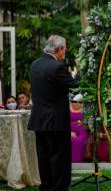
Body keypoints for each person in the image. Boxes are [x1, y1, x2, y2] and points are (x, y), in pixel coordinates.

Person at [28, 35, 77, 191]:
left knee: (44, 157)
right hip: (55, 121)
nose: (66, 51)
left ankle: (46, 186)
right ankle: (58, 188)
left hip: (38, 119)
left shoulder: (34, 65)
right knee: (58, 157)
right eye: (65, 49)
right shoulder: (57, 67)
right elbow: (75, 85)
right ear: (58, 50)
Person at [70, 94, 89, 163]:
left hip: (82, 131)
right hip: (70, 131)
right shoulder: (67, 108)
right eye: (73, 102)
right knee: (71, 140)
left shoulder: (85, 109)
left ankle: (78, 162)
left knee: (79, 141)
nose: (75, 104)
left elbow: (89, 122)